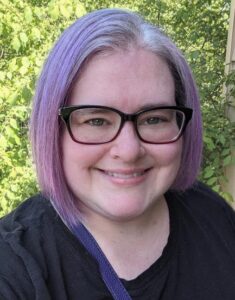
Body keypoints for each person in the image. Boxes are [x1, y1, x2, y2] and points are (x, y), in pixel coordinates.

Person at [0, 8, 235, 300]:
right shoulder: (14, 266)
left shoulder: (213, 217)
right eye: (96, 121)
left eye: (154, 119)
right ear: (52, 130)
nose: (129, 151)